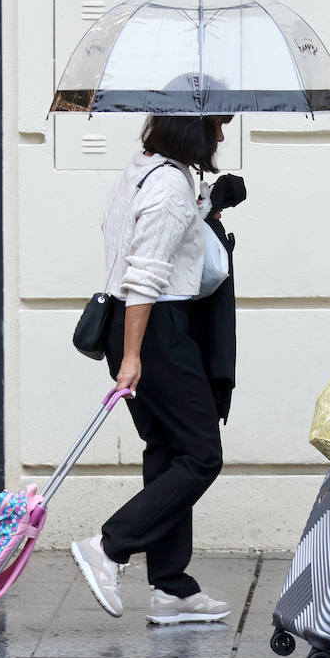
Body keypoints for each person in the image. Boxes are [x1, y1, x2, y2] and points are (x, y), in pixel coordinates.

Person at [70, 84, 242, 626]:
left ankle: (171, 586)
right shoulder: (168, 186)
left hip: (136, 322)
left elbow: (146, 244)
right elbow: (145, 275)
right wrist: (134, 356)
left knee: (167, 452)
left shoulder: (144, 168)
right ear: (193, 126)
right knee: (201, 454)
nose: (222, 133)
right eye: (217, 123)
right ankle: (110, 546)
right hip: (156, 328)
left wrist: (208, 205)